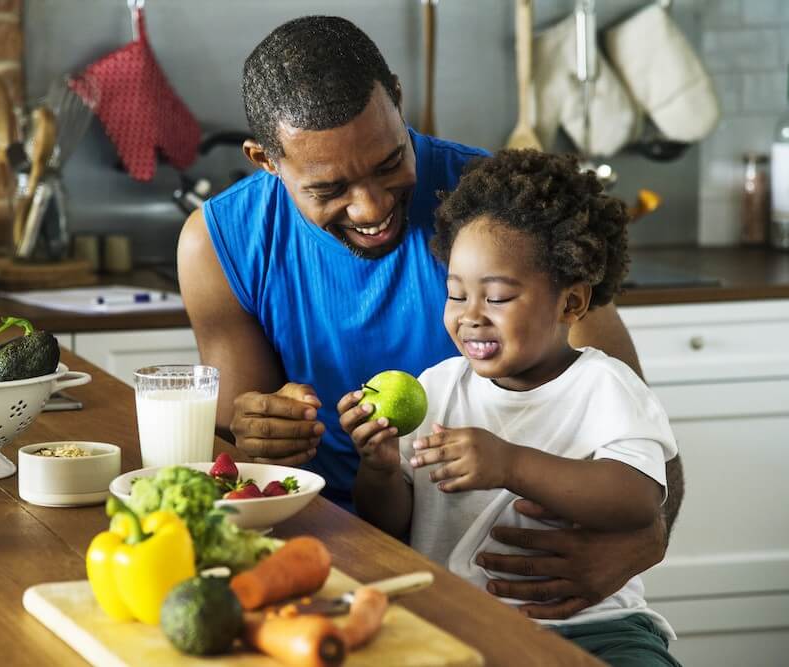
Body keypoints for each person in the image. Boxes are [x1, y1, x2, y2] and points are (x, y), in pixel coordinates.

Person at [177, 14, 685, 621]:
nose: (371, 207)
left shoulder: (498, 214)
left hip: (510, 582)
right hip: (316, 555)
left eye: (390, 162)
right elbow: (238, 460)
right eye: (329, 188)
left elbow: (641, 433)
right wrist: (256, 432)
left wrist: (643, 543)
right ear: (266, 160)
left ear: (397, 96)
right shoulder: (219, 244)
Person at [338, 149, 681, 665]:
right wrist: (381, 470)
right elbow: (392, 523)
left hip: (595, 626)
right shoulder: (438, 388)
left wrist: (510, 463)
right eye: (456, 295)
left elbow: (638, 500)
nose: (470, 317)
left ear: (571, 304)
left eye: (496, 298)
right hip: (458, 621)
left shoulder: (605, 387)